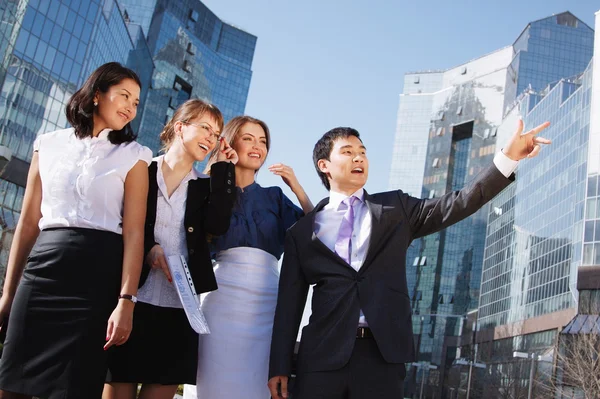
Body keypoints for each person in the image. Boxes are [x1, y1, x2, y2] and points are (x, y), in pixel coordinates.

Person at [268, 120, 552, 399]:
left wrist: (508, 158)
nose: (359, 157)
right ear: (324, 165)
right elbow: (289, 306)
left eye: (363, 152)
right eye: (347, 151)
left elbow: (456, 203)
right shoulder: (302, 232)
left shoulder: (396, 208)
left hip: (382, 357)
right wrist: (279, 366)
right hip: (320, 358)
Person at [0, 62, 153, 399]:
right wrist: (8, 293)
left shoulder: (135, 156)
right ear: (97, 94)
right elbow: (27, 223)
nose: (131, 107)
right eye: (124, 96)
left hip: (96, 282)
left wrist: (126, 300)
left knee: (74, 389)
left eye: (137, 102)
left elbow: (134, 233)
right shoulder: (48, 144)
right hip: (42, 272)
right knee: (11, 384)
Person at [103, 99, 237, 399]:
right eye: (205, 128)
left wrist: (225, 170)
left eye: (216, 134)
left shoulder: (207, 185)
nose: (210, 138)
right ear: (180, 127)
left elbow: (218, 225)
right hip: (130, 301)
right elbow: (118, 220)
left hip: (179, 311)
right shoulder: (141, 169)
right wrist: (149, 248)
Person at [183, 115, 313, 399]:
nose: (258, 147)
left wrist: (297, 187)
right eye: (248, 139)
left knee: (259, 385)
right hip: (220, 298)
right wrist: (218, 170)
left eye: (263, 141)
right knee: (213, 382)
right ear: (229, 142)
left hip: (267, 302)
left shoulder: (276, 197)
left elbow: (315, 231)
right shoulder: (209, 189)